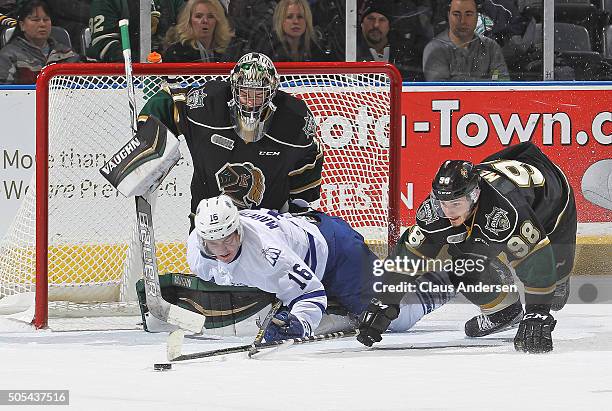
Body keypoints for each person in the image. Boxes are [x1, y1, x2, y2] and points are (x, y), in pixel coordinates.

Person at [357, 142, 577, 353]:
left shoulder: (505, 212)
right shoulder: (437, 211)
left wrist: (537, 313)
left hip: (552, 198)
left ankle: (553, 285)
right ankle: (503, 310)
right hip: (500, 176)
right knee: (464, 264)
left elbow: (535, 259)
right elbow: (409, 256)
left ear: (474, 196)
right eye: (444, 203)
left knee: (554, 298)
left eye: (455, 204)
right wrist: (386, 301)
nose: (449, 212)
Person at [186, 194, 451, 342]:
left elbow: (311, 293)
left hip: (337, 253)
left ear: (239, 230)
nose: (221, 250)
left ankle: (447, 281)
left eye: (228, 240)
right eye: (212, 243)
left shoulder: (268, 253)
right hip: (304, 234)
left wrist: (300, 324)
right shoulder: (198, 248)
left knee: (394, 318)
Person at [138, 52, 324, 229]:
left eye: (258, 94)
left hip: (268, 226)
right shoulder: (209, 105)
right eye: (245, 93)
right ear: (233, 89)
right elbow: (170, 100)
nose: (251, 102)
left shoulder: (294, 119)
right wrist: (148, 140)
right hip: (207, 222)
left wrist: (298, 203)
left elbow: (310, 155)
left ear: (272, 92)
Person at [422, 0, 509, 81]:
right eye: (456, 14)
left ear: (477, 16)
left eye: (469, 14)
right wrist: (486, 81)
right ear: (448, 16)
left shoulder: (491, 47)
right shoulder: (434, 49)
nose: (463, 21)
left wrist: (458, 79)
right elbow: (441, 90)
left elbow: (502, 82)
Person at [0, 0, 80, 84]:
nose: (42, 24)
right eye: (35, 20)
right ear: (22, 25)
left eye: (46, 19)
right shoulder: (8, 56)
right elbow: (4, 93)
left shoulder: (66, 53)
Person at [87, 0, 185, 62]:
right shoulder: (106, 2)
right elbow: (102, 43)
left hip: (170, 74)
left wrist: (171, 57)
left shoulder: (174, 2)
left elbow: (190, 32)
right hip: (119, 81)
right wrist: (137, 63)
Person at [357, 0, 430, 81]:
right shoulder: (352, 53)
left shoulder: (406, 53)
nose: (376, 25)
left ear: (389, 25)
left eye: (382, 20)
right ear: (362, 24)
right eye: (371, 19)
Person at [164, 0, 243, 62]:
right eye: (198, 16)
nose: (205, 21)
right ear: (189, 21)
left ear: (218, 21)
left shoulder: (230, 51)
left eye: (210, 16)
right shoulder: (176, 53)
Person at [251, 0, 329, 62]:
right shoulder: (268, 50)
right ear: (280, 20)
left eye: (300, 16)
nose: (295, 21)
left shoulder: (316, 48)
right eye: (289, 17)